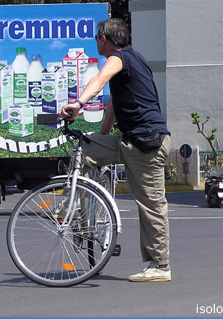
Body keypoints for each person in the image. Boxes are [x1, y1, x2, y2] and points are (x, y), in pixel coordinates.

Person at [59, 18, 172, 282]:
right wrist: (102, 135)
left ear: (104, 39)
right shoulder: (134, 60)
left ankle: (161, 266)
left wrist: (78, 104)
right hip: (128, 141)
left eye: (97, 38)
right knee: (84, 149)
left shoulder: (119, 58)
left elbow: (99, 80)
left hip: (147, 144)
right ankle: (80, 213)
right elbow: (113, 103)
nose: (96, 42)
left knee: (151, 206)